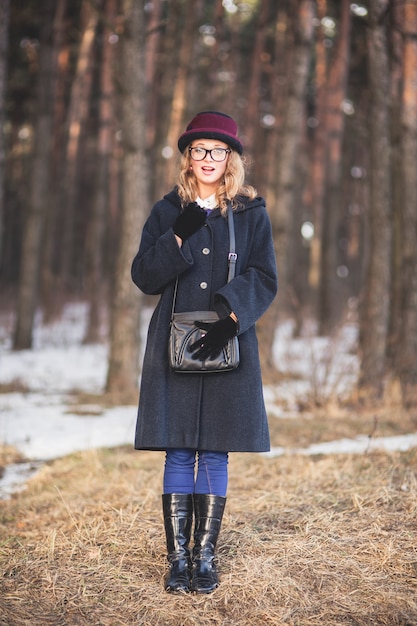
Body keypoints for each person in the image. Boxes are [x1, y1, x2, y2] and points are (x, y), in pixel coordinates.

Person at [131, 111, 278, 595]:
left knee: (215, 449)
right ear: (188, 157)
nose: (208, 158)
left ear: (231, 157)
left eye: (218, 150)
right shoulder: (166, 209)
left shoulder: (251, 211)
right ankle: (178, 562)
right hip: (173, 344)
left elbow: (263, 276)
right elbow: (144, 276)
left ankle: (206, 559)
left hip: (228, 341)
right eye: (199, 150)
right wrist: (179, 233)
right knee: (177, 447)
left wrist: (231, 318)